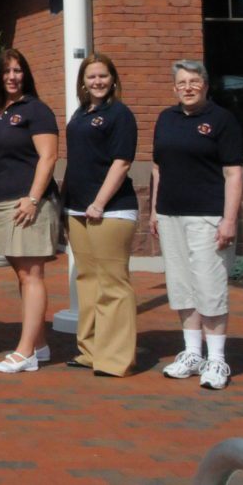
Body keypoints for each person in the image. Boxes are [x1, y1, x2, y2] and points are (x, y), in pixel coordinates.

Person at [149, 59, 243, 391]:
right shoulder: (166, 119)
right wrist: (154, 210)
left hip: (208, 217)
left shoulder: (222, 120)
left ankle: (216, 359)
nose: (188, 88)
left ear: (205, 85)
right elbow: (158, 168)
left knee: (209, 286)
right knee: (182, 287)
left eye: (194, 81)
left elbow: (233, 173)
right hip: (170, 215)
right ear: (174, 88)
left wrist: (229, 219)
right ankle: (192, 353)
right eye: (182, 83)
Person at [61, 52, 139, 377]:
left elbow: (121, 162)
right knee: (88, 280)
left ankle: (115, 359)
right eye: (91, 76)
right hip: (77, 208)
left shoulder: (119, 114)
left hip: (111, 210)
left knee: (113, 283)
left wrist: (99, 202)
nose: (97, 82)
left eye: (103, 76)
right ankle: (90, 351)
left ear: (113, 79)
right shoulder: (81, 113)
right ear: (83, 81)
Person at [0, 47, 59, 374]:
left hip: (29, 204)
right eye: (6, 71)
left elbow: (48, 157)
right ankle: (39, 344)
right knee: (22, 275)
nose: (12, 77)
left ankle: (25, 351)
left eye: (18, 70)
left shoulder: (36, 110)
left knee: (32, 275)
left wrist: (33, 198)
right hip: (1, 202)